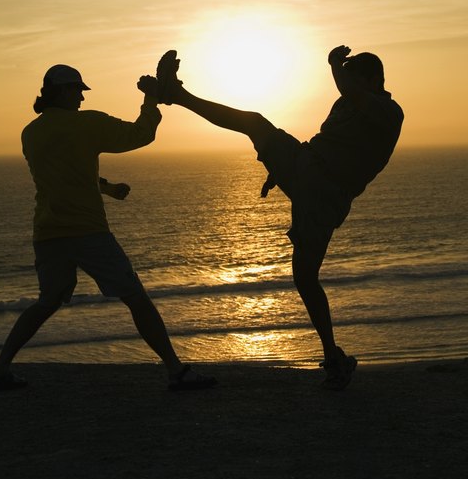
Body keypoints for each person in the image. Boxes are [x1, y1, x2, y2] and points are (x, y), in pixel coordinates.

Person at [144, 45, 403, 389]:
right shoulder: (347, 102)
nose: (346, 82)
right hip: (304, 165)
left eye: (354, 78)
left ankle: (333, 358)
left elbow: (352, 95)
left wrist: (333, 64)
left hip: (326, 197)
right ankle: (174, 92)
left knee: (305, 278)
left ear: (373, 80)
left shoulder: (387, 111)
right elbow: (328, 140)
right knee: (252, 122)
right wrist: (280, 169)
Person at [0, 63, 216, 393]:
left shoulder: (30, 133)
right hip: (87, 231)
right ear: (64, 91)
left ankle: (0, 370)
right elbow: (141, 134)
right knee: (136, 297)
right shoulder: (87, 124)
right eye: (78, 90)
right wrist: (150, 101)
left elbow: (65, 173)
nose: (81, 97)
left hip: (48, 232)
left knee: (47, 301)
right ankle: (176, 371)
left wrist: (105, 188)